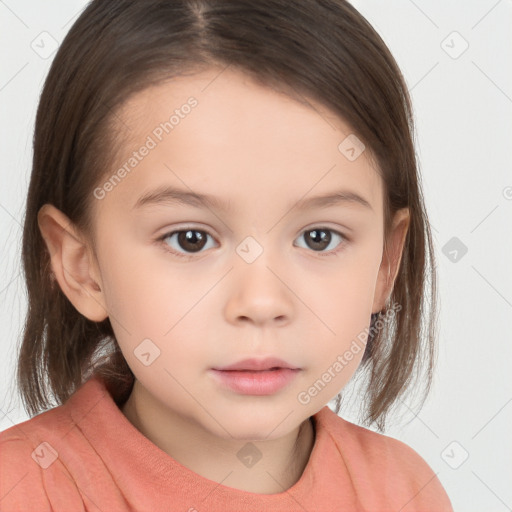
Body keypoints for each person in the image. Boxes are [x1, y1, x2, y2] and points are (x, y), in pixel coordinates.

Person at [0, 0, 453, 510]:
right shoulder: (22, 489)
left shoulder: (401, 489)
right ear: (82, 267)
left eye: (319, 237)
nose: (261, 303)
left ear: (385, 263)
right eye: (190, 239)